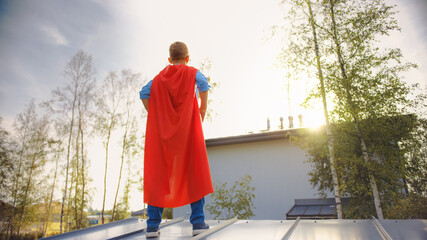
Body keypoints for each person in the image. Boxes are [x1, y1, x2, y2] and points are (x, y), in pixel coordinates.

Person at [139, 41, 214, 238]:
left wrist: (157, 116)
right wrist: (202, 110)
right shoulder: (193, 73)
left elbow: (143, 93)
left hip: (165, 137)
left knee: (160, 176)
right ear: (188, 58)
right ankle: (198, 222)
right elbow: (204, 85)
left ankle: (152, 227)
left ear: (170, 60)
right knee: (193, 172)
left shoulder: (159, 78)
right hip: (188, 134)